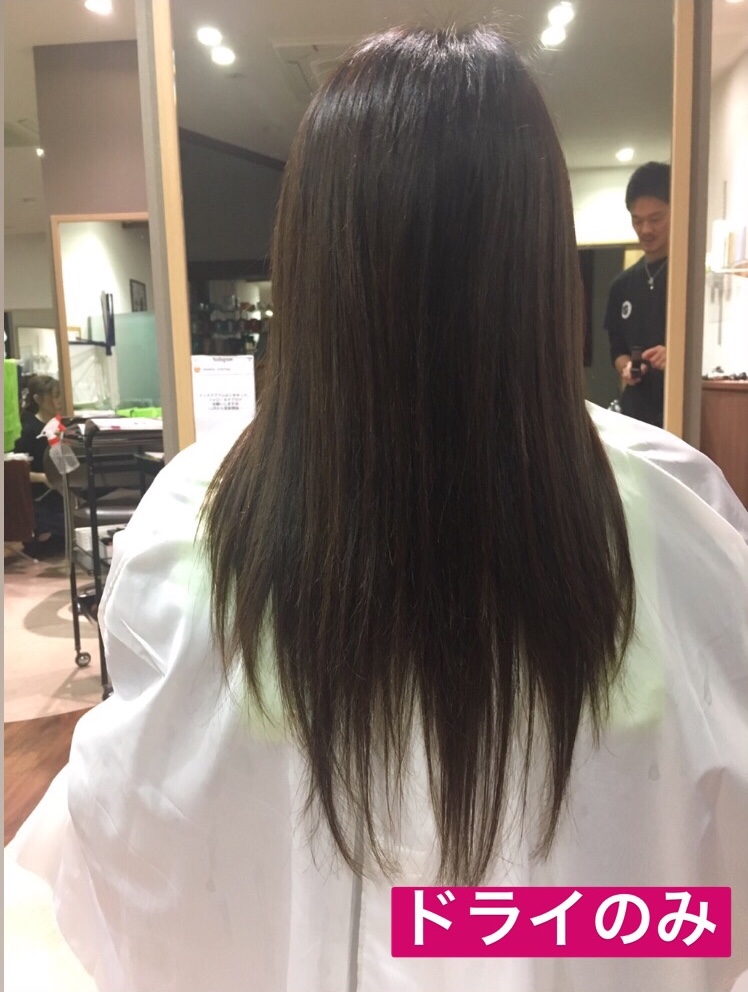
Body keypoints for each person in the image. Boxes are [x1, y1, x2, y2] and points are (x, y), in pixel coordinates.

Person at [10, 26, 748, 992]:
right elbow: (710, 882)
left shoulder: (194, 515)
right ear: (539, 263)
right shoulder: (675, 514)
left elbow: (137, 858)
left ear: (312, 260)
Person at [605, 162, 670, 427]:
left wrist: (675, 356)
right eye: (637, 220)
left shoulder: (688, 280)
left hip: (677, 410)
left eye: (655, 219)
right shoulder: (621, 285)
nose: (645, 230)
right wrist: (625, 367)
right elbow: (617, 350)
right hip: (634, 417)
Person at [13, 373, 66, 556]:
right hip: (39, 496)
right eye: (55, 395)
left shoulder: (61, 426)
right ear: (38, 399)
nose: (60, 401)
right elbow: (16, 471)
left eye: (61, 395)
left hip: (59, 492)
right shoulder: (28, 430)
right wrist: (44, 478)